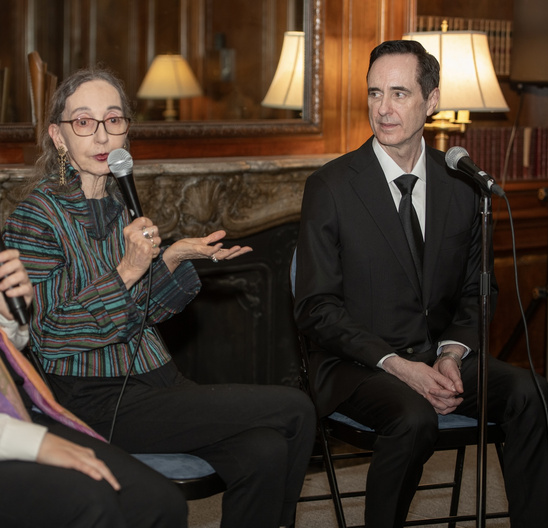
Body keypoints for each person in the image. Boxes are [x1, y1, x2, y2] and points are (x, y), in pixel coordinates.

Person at [2, 67, 315, 528]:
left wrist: (170, 260)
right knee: (296, 407)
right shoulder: (36, 218)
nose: (102, 134)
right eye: (84, 122)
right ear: (59, 136)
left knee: (264, 451)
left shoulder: (119, 202)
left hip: (156, 380)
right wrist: (128, 269)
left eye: (114, 119)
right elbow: (50, 336)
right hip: (93, 399)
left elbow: (140, 314)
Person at [293, 40, 548, 528]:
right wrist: (400, 366)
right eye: (375, 93)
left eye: (399, 93)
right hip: (359, 365)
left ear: (431, 101)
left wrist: (451, 354)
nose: (383, 108)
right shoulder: (331, 186)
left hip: (440, 357)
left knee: (532, 392)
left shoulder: (461, 183)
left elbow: (476, 291)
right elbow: (316, 308)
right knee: (414, 417)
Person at [0, 246, 188, 528]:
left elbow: (11, 351)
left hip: (19, 408)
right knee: (93, 502)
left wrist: (8, 320)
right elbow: (52, 336)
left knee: (159, 500)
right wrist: (36, 443)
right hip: (39, 415)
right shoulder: (39, 218)